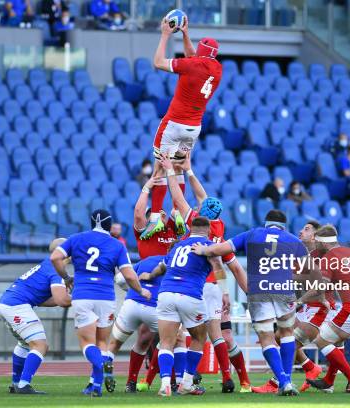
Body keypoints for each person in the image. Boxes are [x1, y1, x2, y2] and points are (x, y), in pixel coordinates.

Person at [192, 209, 325, 396]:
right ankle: (286, 378)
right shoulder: (293, 240)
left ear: (266, 223)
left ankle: (284, 381)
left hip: (258, 292)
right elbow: (314, 272)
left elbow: (221, 248)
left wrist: (203, 249)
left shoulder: (252, 233)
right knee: (287, 334)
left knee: (266, 338)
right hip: (284, 291)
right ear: (283, 226)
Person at [159, 153, 251, 393]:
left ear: (200, 216)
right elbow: (234, 267)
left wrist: (172, 172)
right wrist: (189, 171)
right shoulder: (218, 228)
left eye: (199, 207)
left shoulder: (195, 224)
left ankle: (168, 381)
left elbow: (179, 199)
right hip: (214, 287)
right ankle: (230, 378)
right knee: (219, 335)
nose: (198, 205)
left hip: (192, 286)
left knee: (174, 338)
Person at [50, 209, 151, 397]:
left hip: (83, 295)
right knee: (102, 343)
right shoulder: (116, 245)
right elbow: (128, 274)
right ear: (109, 224)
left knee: (87, 343)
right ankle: (95, 383)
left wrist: (66, 277)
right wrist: (140, 290)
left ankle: (100, 369)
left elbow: (55, 257)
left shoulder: (76, 238)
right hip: (105, 297)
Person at [142, 17, 222, 239]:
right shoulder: (217, 69)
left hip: (174, 123)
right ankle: (177, 213)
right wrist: (185, 34)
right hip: (193, 128)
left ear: (200, 51)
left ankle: (156, 216)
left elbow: (158, 62)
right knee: (178, 167)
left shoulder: (190, 65)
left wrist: (165, 34)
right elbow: (195, 57)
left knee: (160, 166)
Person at [154, 216, 226, 396]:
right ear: (208, 230)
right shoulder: (209, 246)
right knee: (199, 337)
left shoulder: (178, 245)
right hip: (190, 294)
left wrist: (149, 275)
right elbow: (218, 267)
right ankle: (186, 383)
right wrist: (224, 293)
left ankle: (164, 385)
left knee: (166, 342)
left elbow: (162, 267)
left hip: (166, 293)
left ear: (191, 229)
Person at [251, 220, 325, 394]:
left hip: (316, 308)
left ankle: (279, 381)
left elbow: (318, 282)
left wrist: (288, 279)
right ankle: (311, 368)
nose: (300, 231)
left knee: (287, 340)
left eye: (306, 229)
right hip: (306, 307)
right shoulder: (300, 252)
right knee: (282, 338)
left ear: (315, 236)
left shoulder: (318, 256)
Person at [0, 238, 71, 394]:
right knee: (40, 345)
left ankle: (16, 383)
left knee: (25, 344)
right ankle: (23, 385)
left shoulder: (46, 264)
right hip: (16, 305)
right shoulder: (56, 269)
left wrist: (65, 297)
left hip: (6, 303)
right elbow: (62, 300)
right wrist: (83, 297)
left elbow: (48, 300)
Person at [306, 225, 350, 394]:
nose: (315, 245)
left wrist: (301, 298)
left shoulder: (328, 257)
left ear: (323, 243)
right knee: (336, 340)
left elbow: (321, 287)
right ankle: (329, 381)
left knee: (320, 339)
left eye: (317, 241)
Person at [129, 178, 178, 393]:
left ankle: (172, 381)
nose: (161, 216)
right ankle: (132, 380)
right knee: (145, 336)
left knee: (174, 338)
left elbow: (179, 208)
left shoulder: (172, 232)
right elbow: (139, 214)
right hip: (149, 287)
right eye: (156, 215)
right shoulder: (145, 233)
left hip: (172, 285)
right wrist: (147, 188)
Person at [105, 255, 163, 392]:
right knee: (173, 341)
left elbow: (119, 279)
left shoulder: (145, 261)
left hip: (131, 304)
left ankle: (104, 377)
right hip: (155, 306)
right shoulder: (174, 261)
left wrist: (133, 291)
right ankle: (173, 382)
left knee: (114, 343)